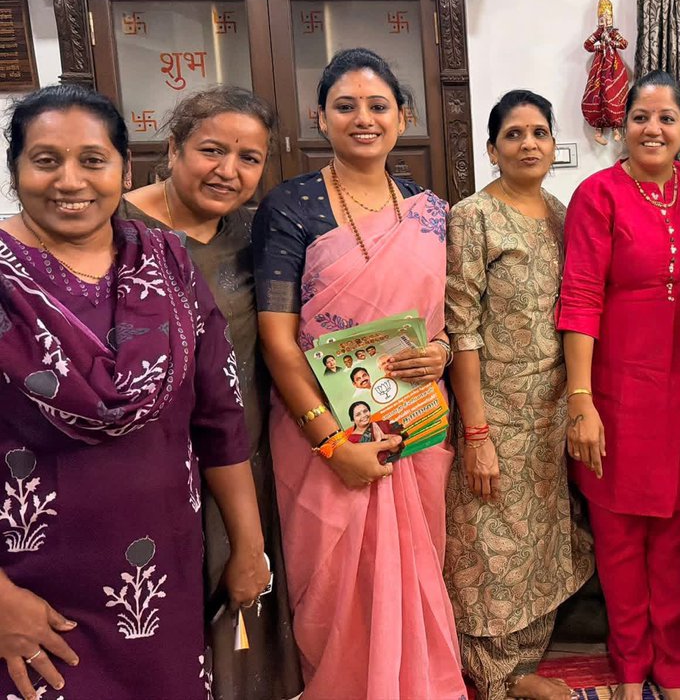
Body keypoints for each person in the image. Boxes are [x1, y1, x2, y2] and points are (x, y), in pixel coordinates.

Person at [0, 85, 270, 700]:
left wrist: (248, 548)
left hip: (158, 578)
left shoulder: (167, 259)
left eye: (92, 160)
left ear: (123, 167)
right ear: (17, 169)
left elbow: (219, 416)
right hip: (29, 592)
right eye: (46, 160)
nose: (71, 180)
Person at [253, 48, 465, 699]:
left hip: (412, 427)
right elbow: (277, 341)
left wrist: (445, 353)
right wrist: (331, 442)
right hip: (321, 439)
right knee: (338, 590)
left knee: (417, 572)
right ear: (321, 117)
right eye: (346, 106)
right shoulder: (290, 206)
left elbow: (441, 322)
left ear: (402, 116)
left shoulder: (431, 210)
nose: (363, 118)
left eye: (378, 106)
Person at [120, 85, 302, 700]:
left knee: (244, 607)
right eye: (211, 150)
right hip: (146, 472)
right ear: (172, 148)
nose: (229, 171)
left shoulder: (258, 234)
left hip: (244, 459)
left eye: (249, 158)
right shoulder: (114, 228)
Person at [558, 71, 680, 700]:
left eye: (666, 118)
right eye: (641, 117)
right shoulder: (598, 195)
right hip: (615, 390)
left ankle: (677, 671)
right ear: (622, 126)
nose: (653, 129)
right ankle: (628, 670)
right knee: (620, 540)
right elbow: (580, 299)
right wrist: (581, 402)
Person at [444, 90, 594, 700]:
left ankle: (528, 662)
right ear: (492, 148)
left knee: (543, 540)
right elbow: (462, 329)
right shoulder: (472, 217)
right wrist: (475, 432)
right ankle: (497, 676)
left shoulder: (564, 215)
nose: (528, 144)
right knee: (489, 543)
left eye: (539, 133)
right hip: (494, 410)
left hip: (553, 409)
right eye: (514, 134)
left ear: (553, 145)